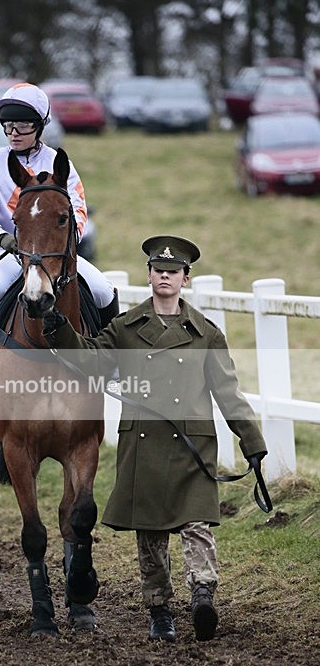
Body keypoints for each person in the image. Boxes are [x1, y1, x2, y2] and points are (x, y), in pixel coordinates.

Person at [42, 235, 267, 642]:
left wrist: (251, 442)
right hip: (144, 445)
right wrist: (58, 328)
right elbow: (88, 357)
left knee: (197, 524)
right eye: (158, 270)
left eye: (173, 271)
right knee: (151, 538)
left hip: (192, 448)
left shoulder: (206, 334)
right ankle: (159, 610)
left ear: (186, 279)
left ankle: (202, 596)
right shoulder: (126, 329)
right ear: (149, 276)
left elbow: (229, 393)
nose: (165, 276)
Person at [0, 82, 118, 382]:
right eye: (8, 125)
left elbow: (77, 210)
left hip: (56, 254)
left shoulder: (59, 163)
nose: (14, 132)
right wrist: (1, 237)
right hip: (10, 252)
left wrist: (65, 241)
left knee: (104, 290)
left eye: (22, 125)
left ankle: (115, 362)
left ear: (40, 126)